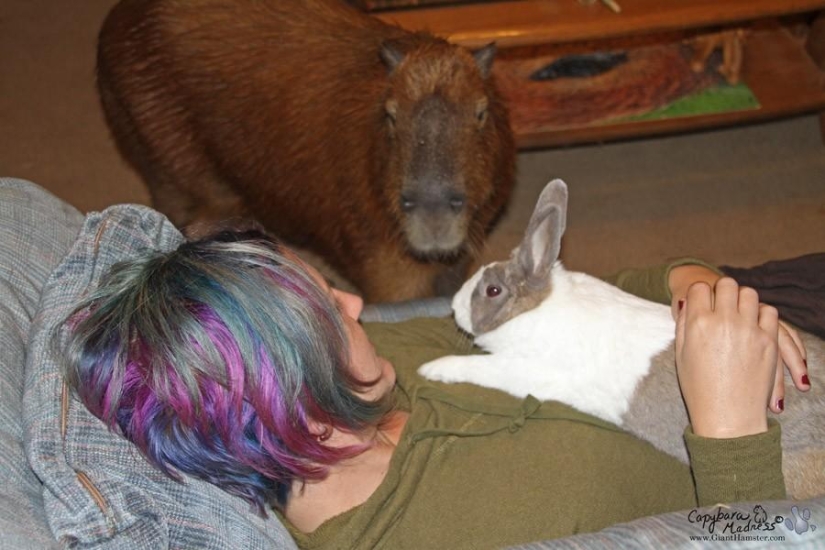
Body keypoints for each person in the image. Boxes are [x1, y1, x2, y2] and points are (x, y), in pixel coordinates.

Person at [62, 226, 811, 549]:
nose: (357, 304)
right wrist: (729, 431)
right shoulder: (432, 537)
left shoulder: (370, 371)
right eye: (331, 311)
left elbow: (571, 304)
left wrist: (698, 286)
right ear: (299, 413)